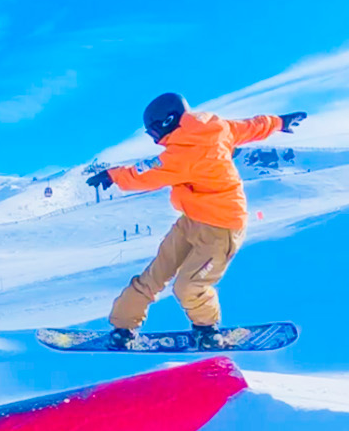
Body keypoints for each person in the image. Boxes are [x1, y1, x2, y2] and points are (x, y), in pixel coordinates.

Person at [86, 92, 305, 350]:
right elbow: (250, 127)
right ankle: (123, 327)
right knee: (154, 275)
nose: (154, 139)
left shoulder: (183, 154)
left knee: (189, 286)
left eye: (153, 131)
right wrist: (278, 122)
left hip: (221, 228)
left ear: (168, 121)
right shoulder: (215, 128)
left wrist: (113, 176)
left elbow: (143, 175)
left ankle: (207, 329)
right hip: (191, 220)